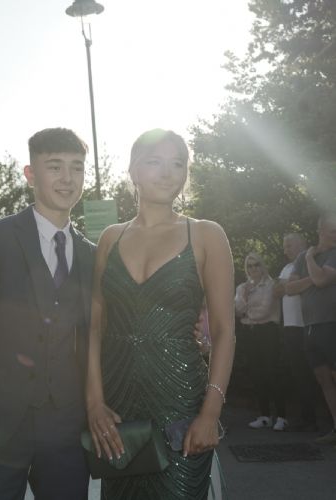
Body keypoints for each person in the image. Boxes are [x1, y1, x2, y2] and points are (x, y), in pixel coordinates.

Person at [0, 128, 95, 500]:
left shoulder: (93, 254)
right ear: (30, 174)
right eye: (55, 166)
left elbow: (101, 335)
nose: (67, 178)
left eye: (77, 168)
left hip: (65, 429)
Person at [86, 129, 235, 499]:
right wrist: (94, 403)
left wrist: (211, 413)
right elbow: (93, 328)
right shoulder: (110, 239)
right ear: (133, 170)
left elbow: (223, 331)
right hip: (118, 409)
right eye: (154, 162)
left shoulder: (206, 235)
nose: (167, 173)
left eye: (177, 164)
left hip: (181, 409)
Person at [286, 212, 336, 445]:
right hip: (310, 327)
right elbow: (289, 289)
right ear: (320, 231)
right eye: (332, 231)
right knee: (324, 380)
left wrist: (308, 260)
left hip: (331, 323)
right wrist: (311, 274)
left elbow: (321, 280)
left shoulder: (333, 254)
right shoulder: (303, 256)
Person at [235, 252, 287, 431]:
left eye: (256, 264)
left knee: (272, 372)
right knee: (257, 373)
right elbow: (237, 310)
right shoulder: (242, 287)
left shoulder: (271, 285)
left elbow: (264, 310)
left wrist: (246, 312)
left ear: (262, 265)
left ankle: (282, 417)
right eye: (249, 265)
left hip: (268, 332)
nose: (253, 268)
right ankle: (264, 416)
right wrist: (246, 299)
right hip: (250, 333)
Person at [276, 233, 318, 431]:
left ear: (303, 244)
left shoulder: (309, 262)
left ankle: (319, 419)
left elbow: (293, 288)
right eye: (285, 246)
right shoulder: (286, 268)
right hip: (290, 327)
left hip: (307, 325)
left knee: (315, 373)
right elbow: (277, 291)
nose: (286, 250)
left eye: (289, 245)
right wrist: (291, 285)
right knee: (299, 373)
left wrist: (288, 285)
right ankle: (307, 419)